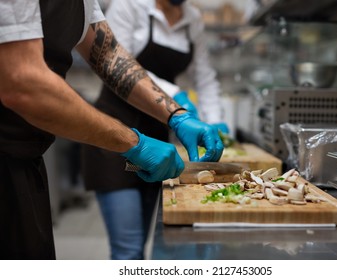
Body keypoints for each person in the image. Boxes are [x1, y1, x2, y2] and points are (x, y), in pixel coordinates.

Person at [0, 0, 224, 260]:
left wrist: (176, 115)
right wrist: (133, 142)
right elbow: (23, 83)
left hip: (24, 158)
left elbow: (108, 55)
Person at [81, 0, 229, 260]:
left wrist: (214, 120)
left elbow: (204, 76)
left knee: (148, 241)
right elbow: (115, 61)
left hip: (159, 139)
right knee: (128, 250)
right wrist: (175, 98)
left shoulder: (192, 18)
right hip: (114, 132)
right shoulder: (129, 5)